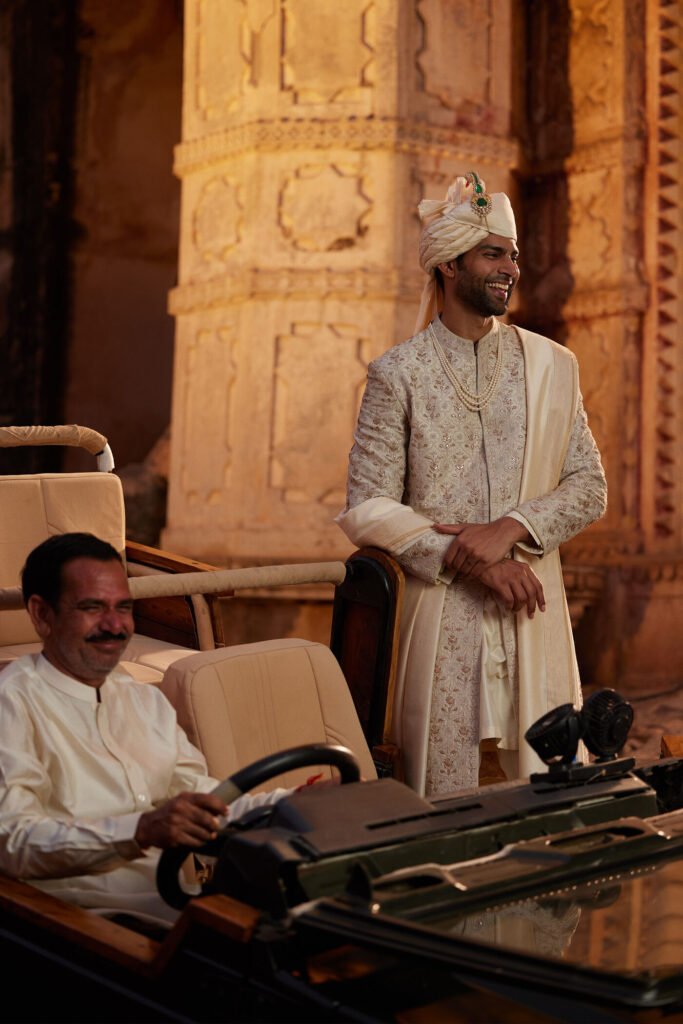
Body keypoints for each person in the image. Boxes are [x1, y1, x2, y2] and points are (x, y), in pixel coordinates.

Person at [337, 172, 607, 797]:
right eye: (492, 254)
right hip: (442, 620)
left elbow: (589, 486)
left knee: (545, 792)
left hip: (533, 612)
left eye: (513, 255)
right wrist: (475, 560)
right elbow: (367, 505)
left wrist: (508, 529)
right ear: (449, 265)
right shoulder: (398, 374)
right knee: (446, 797)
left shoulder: (552, 366)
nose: (510, 268)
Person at [0, 533, 288, 926]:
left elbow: (205, 801)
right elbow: (13, 841)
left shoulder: (144, 701)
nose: (115, 625)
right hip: (81, 927)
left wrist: (290, 804)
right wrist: (139, 831)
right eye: (92, 607)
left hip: (177, 905)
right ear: (41, 615)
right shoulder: (12, 704)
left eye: (124, 607)